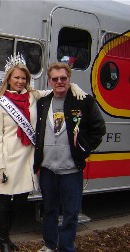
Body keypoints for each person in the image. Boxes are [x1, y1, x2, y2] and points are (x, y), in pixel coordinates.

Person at [0, 55, 86, 252]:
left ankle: (5, 235)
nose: (20, 81)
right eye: (16, 78)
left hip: (27, 159)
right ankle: (3, 239)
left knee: (21, 199)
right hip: (8, 159)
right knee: (5, 199)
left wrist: (74, 87)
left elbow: (57, 89)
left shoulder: (32, 96)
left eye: (23, 78)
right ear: (9, 78)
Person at [33, 62, 106, 252]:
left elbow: (99, 129)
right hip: (48, 169)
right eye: (55, 79)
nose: (59, 82)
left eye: (63, 78)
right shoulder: (43, 102)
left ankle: (66, 247)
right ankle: (49, 244)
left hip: (72, 170)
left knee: (71, 213)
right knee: (49, 210)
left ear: (69, 79)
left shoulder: (83, 101)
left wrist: (84, 149)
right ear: (49, 81)